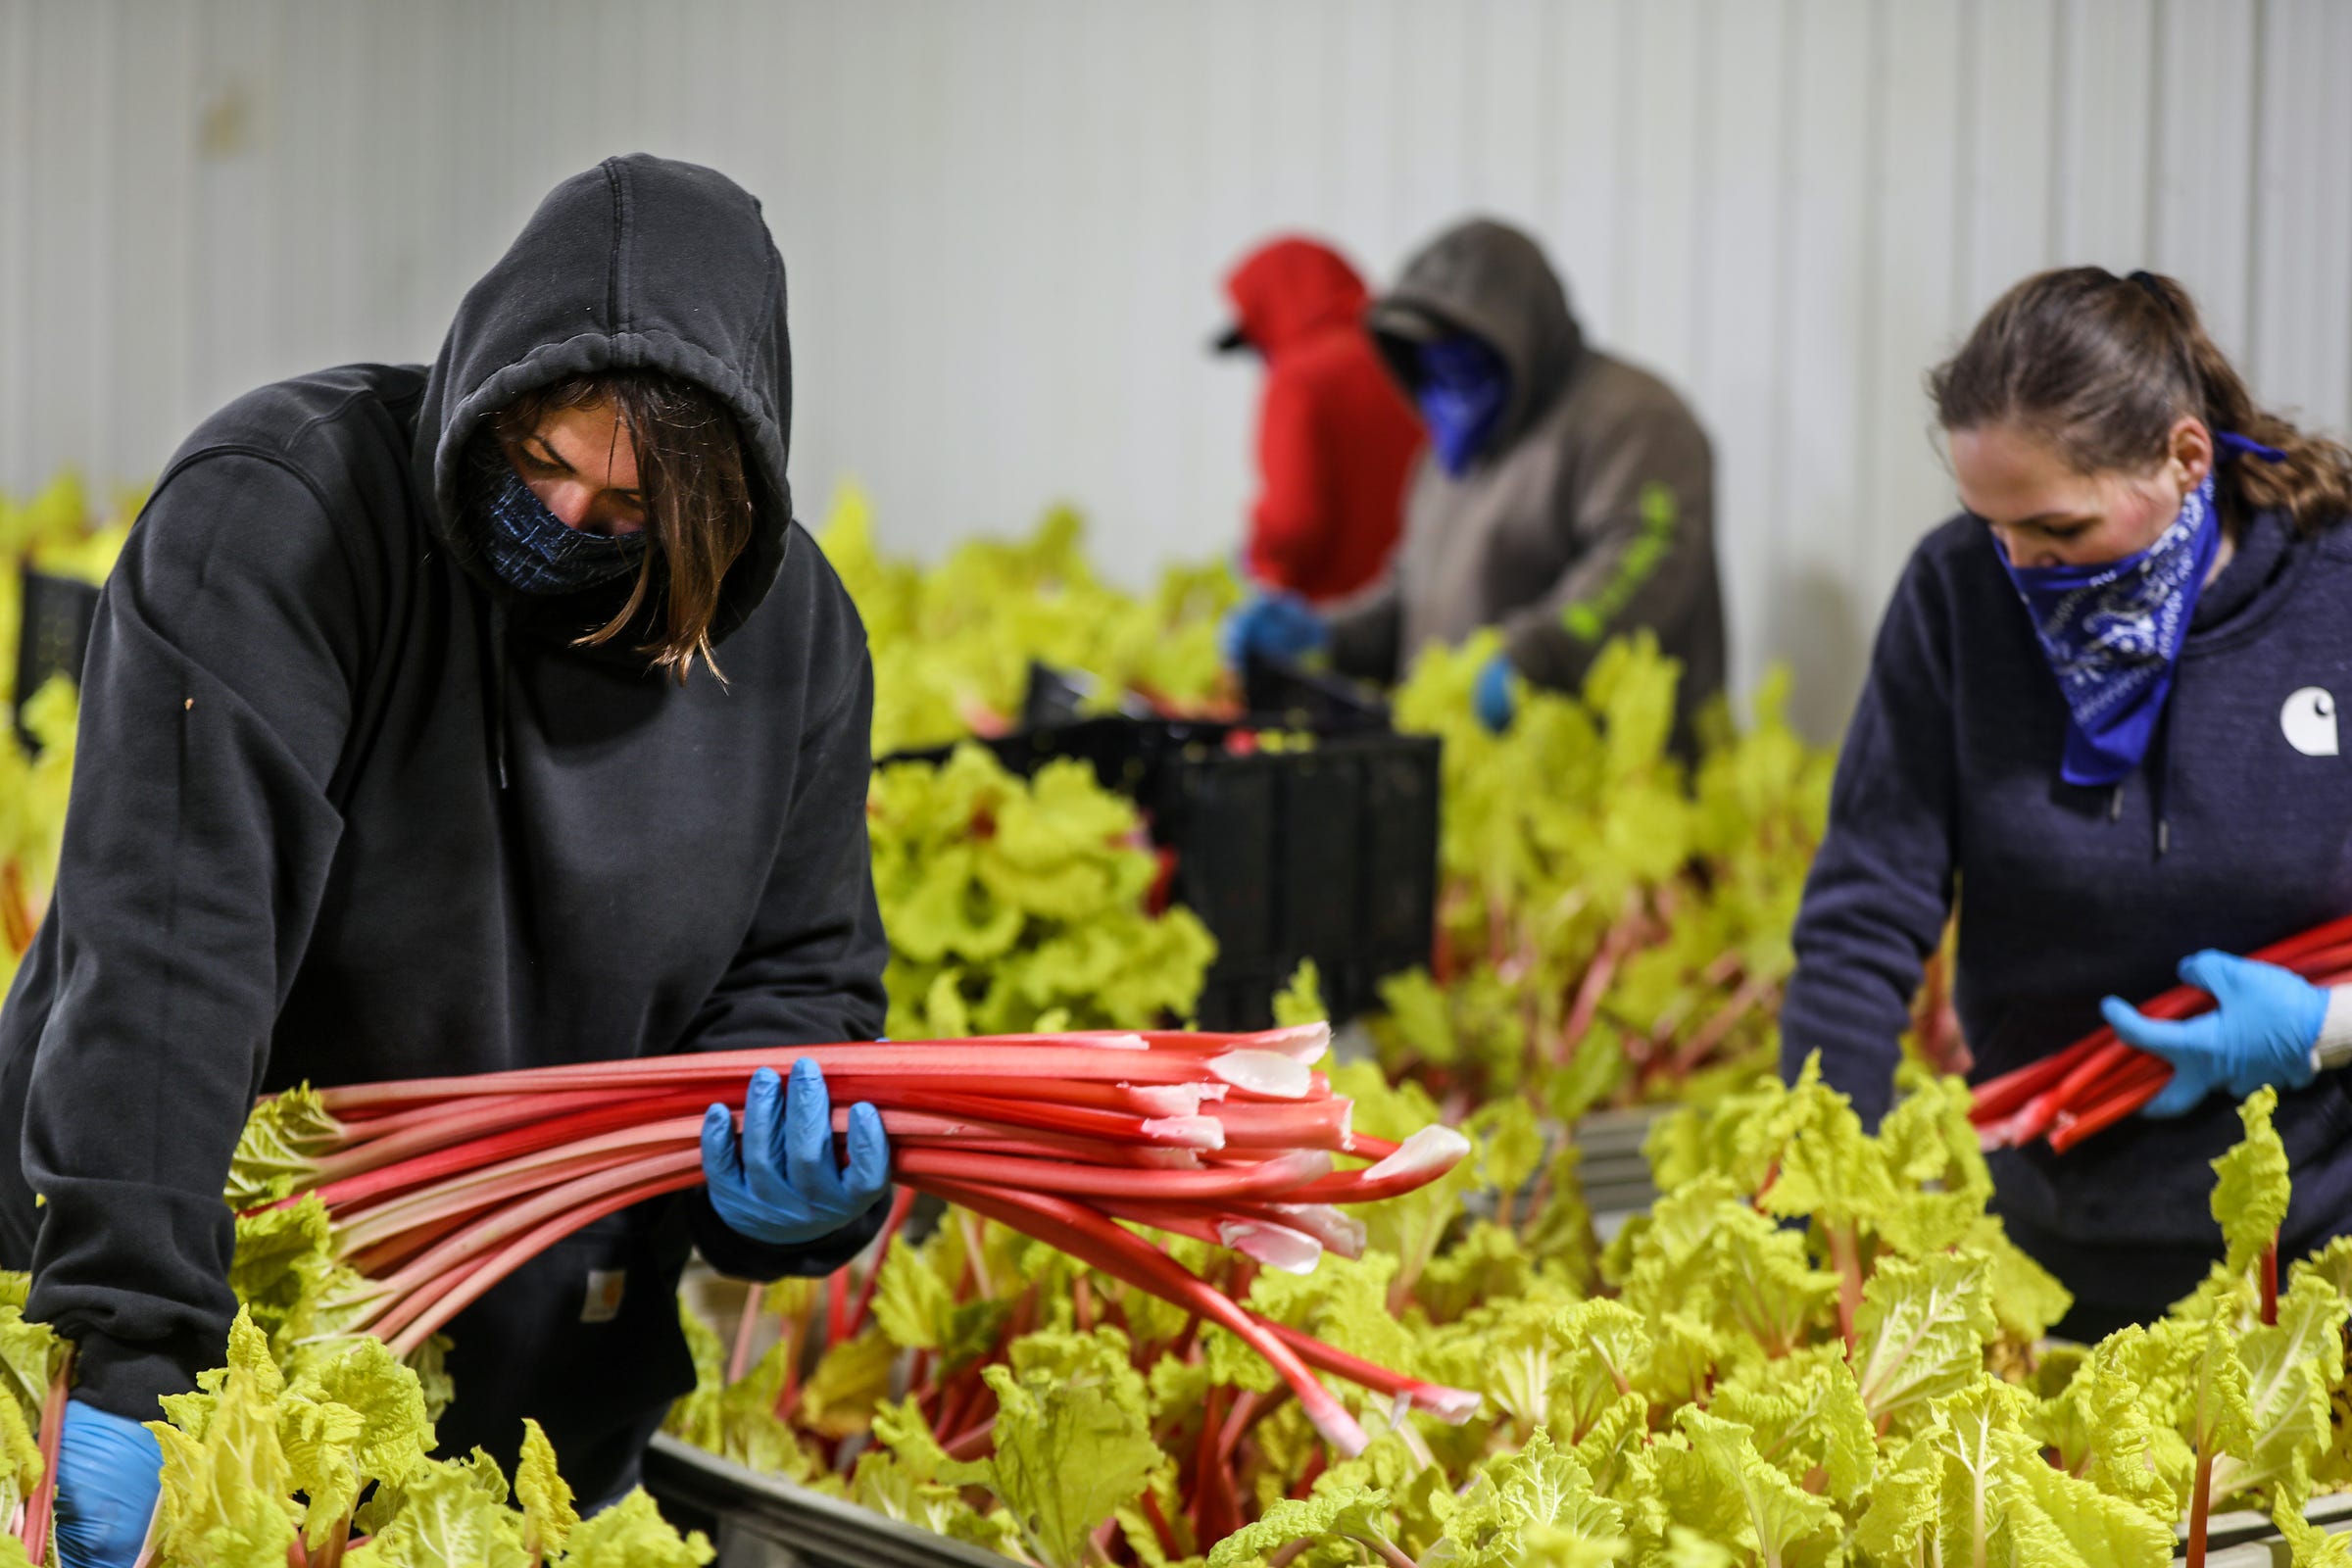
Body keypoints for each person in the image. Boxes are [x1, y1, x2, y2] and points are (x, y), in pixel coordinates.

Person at [0, 156, 896, 1564]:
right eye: (542, 465)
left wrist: (790, 1189)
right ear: (490, 387)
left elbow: (802, 973)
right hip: (188, 1324)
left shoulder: (790, 643)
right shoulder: (283, 512)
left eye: (628, 512)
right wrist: (126, 1346)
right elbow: (175, 946)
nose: (565, 523)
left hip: (535, 1406)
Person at [1780, 266, 2352, 1340]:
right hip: (2036, 1256)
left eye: (2058, 531)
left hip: (2319, 1261)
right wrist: (1819, 1215)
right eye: (1993, 527)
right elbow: (1862, 919)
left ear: (2185, 458)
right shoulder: (1958, 594)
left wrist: (2323, 1026)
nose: (2020, 566)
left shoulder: (2335, 596)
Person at [1221, 218, 1725, 737]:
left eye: (1465, 355)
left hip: (1606, 787)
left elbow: (1645, 558)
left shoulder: (1630, 420)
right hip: (1473, 770)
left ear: (1521, 333)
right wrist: (1327, 638)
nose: (1448, 386)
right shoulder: (1449, 452)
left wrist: (1541, 654)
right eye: (1430, 363)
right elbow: (1411, 592)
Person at [1211, 236, 1424, 603]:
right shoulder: (1407, 359)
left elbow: (1294, 523)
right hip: (1412, 608)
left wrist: (1261, 562)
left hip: (1327, 620)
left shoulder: (1299, 382)